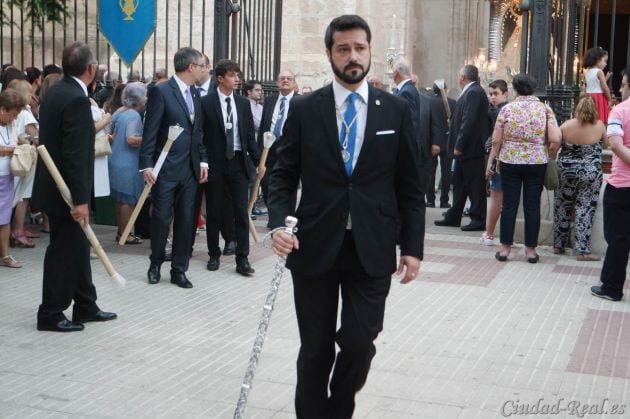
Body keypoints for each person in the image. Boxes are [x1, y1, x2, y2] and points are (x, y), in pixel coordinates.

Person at [269, 15, 424, 417]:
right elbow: (282, 175)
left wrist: (412, 247)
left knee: (359, 342)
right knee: (316, 349)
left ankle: (338, 409)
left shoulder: (395, 110)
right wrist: (277, 225)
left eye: (359, 47)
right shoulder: (305, 109)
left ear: (370, 51)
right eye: (343, 49)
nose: (352, 56)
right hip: (314, 245)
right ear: (329, 54)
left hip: (371, 246)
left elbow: (411, 185)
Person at [32, 42, 117, 332]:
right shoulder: (76, 100)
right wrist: (80, 200)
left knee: (78, 246)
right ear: (91, 69)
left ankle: (85, 303)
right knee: (64, 251)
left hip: (55, 186)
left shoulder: (56, 91)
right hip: (66, 192)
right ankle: (51, 312)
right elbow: (75, 154)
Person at [140, 47, 208, 289]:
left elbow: (198, 132)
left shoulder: (195, 94)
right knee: (160, 218)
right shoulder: (161, 91)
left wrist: (203, 160)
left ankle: (179, 269)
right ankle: (155, 263)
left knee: (186, 221)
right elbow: (150, 131)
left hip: (190, 170)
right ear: (191, 67)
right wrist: (146, 165)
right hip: (166, 169)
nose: (204, 70)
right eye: (202, 66)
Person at [488, 73, 561, 263]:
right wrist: (547, 152)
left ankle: (505, 249)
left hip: (510, 161)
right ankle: (530, 250)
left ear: (515, 89)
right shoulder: (545, 110)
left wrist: (491, 162)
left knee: (509, 204)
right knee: (532, 205)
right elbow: (555, 139)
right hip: (536, 162)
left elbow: (496, 140)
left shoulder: (507, 110)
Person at [201, 59, 260, 275]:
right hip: (215, 164)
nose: (237, 79)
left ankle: (242, 258)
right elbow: (201, 136)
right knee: (214, 212)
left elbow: (249, 138)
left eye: (238, 75)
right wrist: (203, 161)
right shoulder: (206, 103)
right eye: (233, 75)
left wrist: (258, 161)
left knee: (241, 212)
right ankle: (213, 254)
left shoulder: (243, 104)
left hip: (238, 162)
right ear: (220, 78)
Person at [591, 68, 630, 301]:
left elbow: (614, 145)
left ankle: (612, 287)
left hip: (622, 186)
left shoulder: (619, 111)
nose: (620, 89)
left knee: (618, 238)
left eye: (623, 84)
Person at [434, 64, 489, 231]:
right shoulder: (471, 92)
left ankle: (478, 218)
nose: (458, 78)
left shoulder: (474, 92)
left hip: (470, 148)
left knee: (474, 184)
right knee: (459, 182)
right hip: (465, 149)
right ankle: (454, 215)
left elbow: (469, 120)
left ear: (463, 77)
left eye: (459, 75)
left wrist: (459, 144)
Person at [553, 95, 605, 261]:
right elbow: (608, 144)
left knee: (562, 205)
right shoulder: (599, 126)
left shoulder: (566, 125)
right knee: (585, 209)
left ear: (577, 107)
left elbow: (555, 144)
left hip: (566, 171)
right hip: (590, 173)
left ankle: (559, 245)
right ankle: (582, 250)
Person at [109, 82, 147, 244]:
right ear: (139, 98)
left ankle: (121, 232)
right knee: (128, 200)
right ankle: (126, 234)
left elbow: (111, 130)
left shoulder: (120, 111)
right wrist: (149, 139)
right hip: (128, 162)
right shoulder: (134, 115)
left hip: (115, 158)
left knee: (120, 199)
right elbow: (131, 139)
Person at [258, 69, 298, 209]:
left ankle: (287, 217)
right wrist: (259, 154)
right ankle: (274, 216)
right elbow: (264, 125)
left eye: (288, 78)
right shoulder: (269, 100)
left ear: (293, 82)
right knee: (266, 184)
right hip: (269, 150)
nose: (285, 80)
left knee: (288, 187)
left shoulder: (301, 101)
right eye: (282, 78)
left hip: (290, 150)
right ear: (277, 82)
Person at [7, 79, 39, 249]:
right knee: (22, 195)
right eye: (29, 93)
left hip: (14, 158)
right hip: (25, 159)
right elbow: (35, 135)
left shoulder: (13, 112)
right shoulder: (25, 113)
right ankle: (18, 230)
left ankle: (14, 229)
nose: (33, 95)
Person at [0, 89, 27, 269]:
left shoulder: (11, 125)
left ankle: (5, 255)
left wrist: (27, 145)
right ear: (3, 109)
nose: (15, 118)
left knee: (4, 218)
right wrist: (13, 150)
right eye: (13, 113)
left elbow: (16, 139)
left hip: (7, 176)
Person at [481, 79, 509, 246]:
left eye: (496, 93)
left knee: (496, 198)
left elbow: (496, 139)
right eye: (490, 94)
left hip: (499, 158)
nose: (492, 97)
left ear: (505, 93)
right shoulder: (498, 110)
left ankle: (489, 234)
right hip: (509, 158)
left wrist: (490, 159)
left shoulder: (500, 111)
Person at [427, 81, 455, 208]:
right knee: (446, 172)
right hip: (447, 140)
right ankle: (444, 201)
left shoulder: (428, 102)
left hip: (432, 141)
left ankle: (430, 200)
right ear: (446, 89)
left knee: (431, 171)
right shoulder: (452, 102)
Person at [583, 46, 612, 123]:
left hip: (589, 97)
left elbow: (596, 84)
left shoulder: (587, 72)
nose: (605, 64)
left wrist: (606, 78)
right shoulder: (599, 72)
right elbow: (604, 87)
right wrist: (609, 100)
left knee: (590, 119)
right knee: (600, 120)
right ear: (598, 60)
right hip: (599, 98)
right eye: (605, 61)